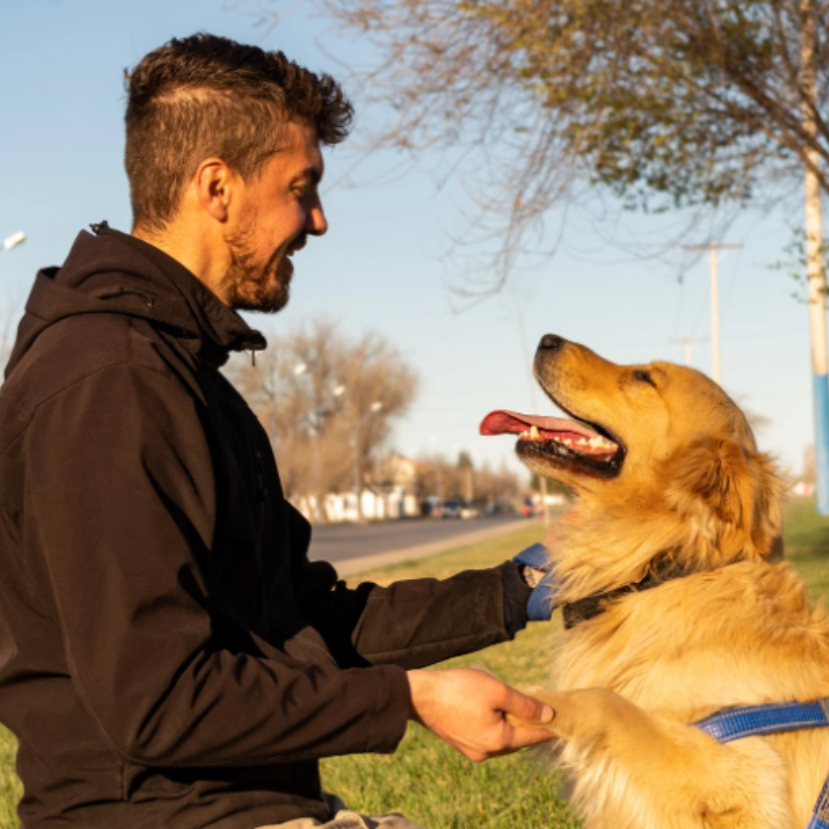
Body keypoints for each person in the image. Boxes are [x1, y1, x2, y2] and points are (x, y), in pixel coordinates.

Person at [0, 34, 555, 829]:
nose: (318, 221)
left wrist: (517, 591)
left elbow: (302, 617)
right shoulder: (109, 385)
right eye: (302, 187)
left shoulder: (179, 373)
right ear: (217, 186)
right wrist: (409, 698)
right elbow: (155, 701)